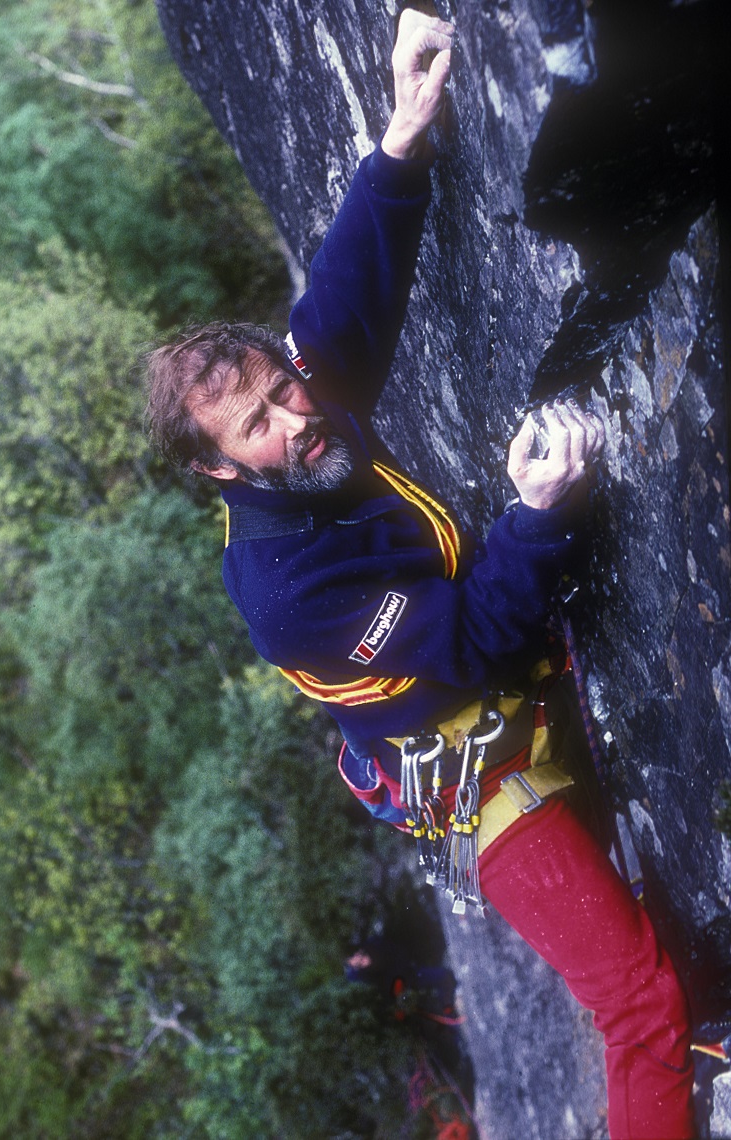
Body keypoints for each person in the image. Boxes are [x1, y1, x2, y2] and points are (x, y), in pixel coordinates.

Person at [144, 9, 695, 1137]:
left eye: (282, 389)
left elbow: (343, 305)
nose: (293, 417)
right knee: (639, 1004)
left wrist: (400, 131)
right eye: (255, 423)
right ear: (216, 470)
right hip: (482, 781)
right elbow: (473, 636)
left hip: (519, 693)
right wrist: (540, 513)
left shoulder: (306, 415)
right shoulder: (287, 593)